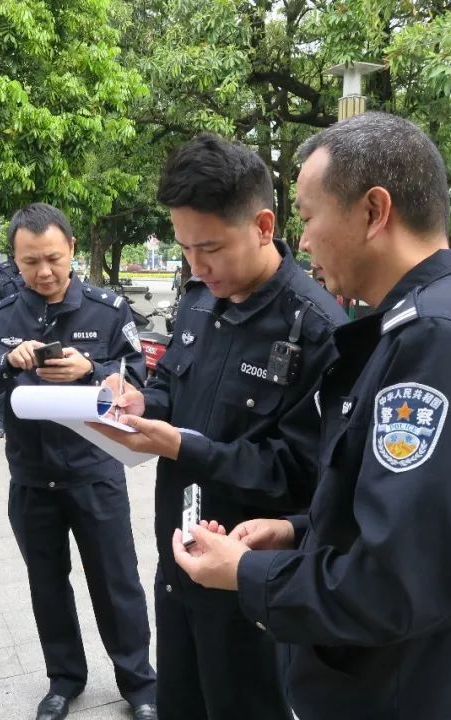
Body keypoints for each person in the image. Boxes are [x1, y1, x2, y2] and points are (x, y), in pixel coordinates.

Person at [169, 113, 451, 720]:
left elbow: (399, 580)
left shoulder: (438, 345)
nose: (307, 240)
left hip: (397, 692)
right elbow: (409, 517)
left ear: (374, 212)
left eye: (311, 214)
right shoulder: (445, 322)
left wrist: (250, 574)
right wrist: (299, 530)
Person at [95, 134, 344, 720]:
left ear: (263, 225)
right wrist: (137, 403)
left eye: (209, 248)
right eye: (184, 249)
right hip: (179, 559)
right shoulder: (199, 303)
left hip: (251, 580)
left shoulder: (318, 330)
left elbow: (300, 470)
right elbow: (170, 391)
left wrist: (184, 445)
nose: (196, 266)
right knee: (179, 703)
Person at [0, 204, 157, 720]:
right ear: (16, 262)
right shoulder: (2, 318)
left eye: (52, 258)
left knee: (117, 582)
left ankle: (139, 683)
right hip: (31, 480)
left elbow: (142, 378)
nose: (43, 272)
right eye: (30, 262)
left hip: (95, 474)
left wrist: (96, 368)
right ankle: (64, 679)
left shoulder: (107, 310)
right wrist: (7, 361)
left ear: (71, 248)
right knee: (47, 584)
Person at [0, 255, 26, 438]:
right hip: (9, 326)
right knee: (6, 372)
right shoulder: (4, 268)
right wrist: (24, 276)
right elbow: (6, 290)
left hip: (31, 322)